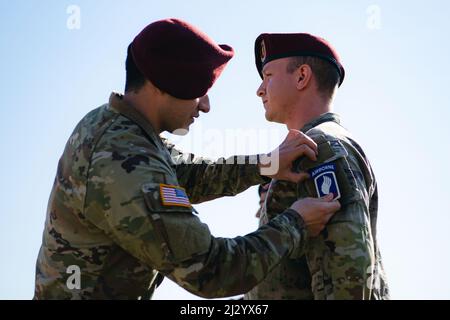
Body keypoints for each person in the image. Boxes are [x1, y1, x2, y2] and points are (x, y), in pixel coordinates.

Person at [34, 19, 341, 299]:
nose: (205, 106)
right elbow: (211, 271)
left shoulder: (125, 130)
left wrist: (268, 164)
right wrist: (295, 223)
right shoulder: (119, 157)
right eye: (200, 90)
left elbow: (191, 174)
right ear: (162, 85)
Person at [245, 33, 389, 300]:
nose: (260, 89)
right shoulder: (310, 146)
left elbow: (348, 273)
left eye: (268, 76)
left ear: (301, 76)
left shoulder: (321, 148)